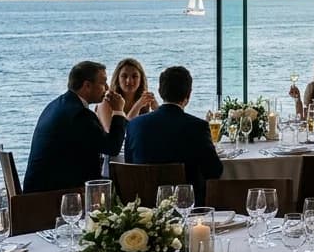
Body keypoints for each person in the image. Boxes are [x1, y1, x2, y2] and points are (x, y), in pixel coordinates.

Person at [24, 61, 127, 193]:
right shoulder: (79, 115)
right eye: (103, 83)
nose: (107, 88)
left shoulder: (57, 104)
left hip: (39, 187)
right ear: (87, 85)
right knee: (122, 188)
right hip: (51, 194)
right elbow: (112, 147)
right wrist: (118, 111)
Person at [124, 66, 223, 205]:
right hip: (189, 206)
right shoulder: (197, 126)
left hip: (145, 206)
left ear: (160, 92)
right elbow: (214, 171)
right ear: (189, 94)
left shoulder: (134, 125)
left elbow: (129, 165)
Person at [98, 57, 157, 131]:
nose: (129, 81)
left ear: (141, 80)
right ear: (117, 79)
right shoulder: (106, 102)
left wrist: (157, 110)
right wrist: (137, 106)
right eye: (124, 76)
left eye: (134, 76)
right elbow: (119, 135)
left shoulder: (144, 102)